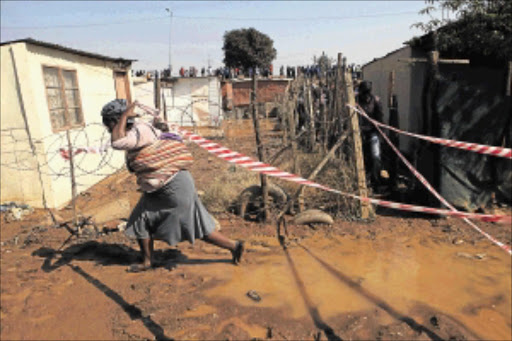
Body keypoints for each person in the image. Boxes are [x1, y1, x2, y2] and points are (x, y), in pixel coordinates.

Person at [101, 99, 244, 272]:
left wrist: (125, 114)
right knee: (140, 220)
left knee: (194, 226)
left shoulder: (140, 131)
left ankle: (234, 246)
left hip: (174, 187)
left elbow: (117, 142)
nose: (107, 127)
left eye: (109, 122)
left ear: (117, 120)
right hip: (163, 188)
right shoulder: (135, 131)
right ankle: (147, 261)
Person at [356, 81, 387, 190]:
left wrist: (381, 134)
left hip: (373, 132)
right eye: (363, 93)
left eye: (367, 93)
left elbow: (380, 119)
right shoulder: (356, 101)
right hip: (358, 133)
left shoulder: (376, 101)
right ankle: (362, 181)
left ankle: (376, 182)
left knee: (375, 156)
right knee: (361, 157)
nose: (365, 96)